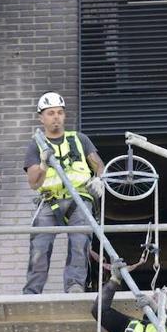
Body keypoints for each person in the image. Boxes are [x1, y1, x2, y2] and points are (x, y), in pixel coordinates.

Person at [22, 92, 105, 294]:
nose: (56, 117)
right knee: (40, 247)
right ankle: (32, 291)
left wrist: (100, 179)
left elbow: (99, 166)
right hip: (49, 201)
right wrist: (43, 164)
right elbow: (33, 182)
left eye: (59, 112)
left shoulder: (79, 139)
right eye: (50, 113)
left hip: (80, 199)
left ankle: (75, 286)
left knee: (79, 243)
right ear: (41, 118)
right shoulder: (36, 145)